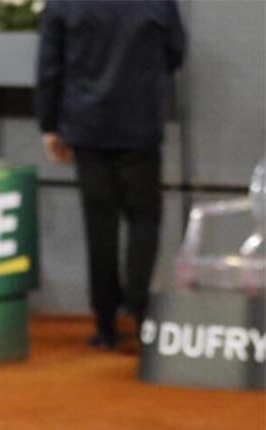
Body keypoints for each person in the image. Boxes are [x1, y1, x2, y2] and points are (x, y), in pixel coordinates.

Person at [36, 0, 187, 350]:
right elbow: (175, 51)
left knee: (99, 223)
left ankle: (105, 324)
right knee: (144, 217)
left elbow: (49, 66)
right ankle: (138, 306)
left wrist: (49, 124)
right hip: (139, 124)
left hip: (87, 125)